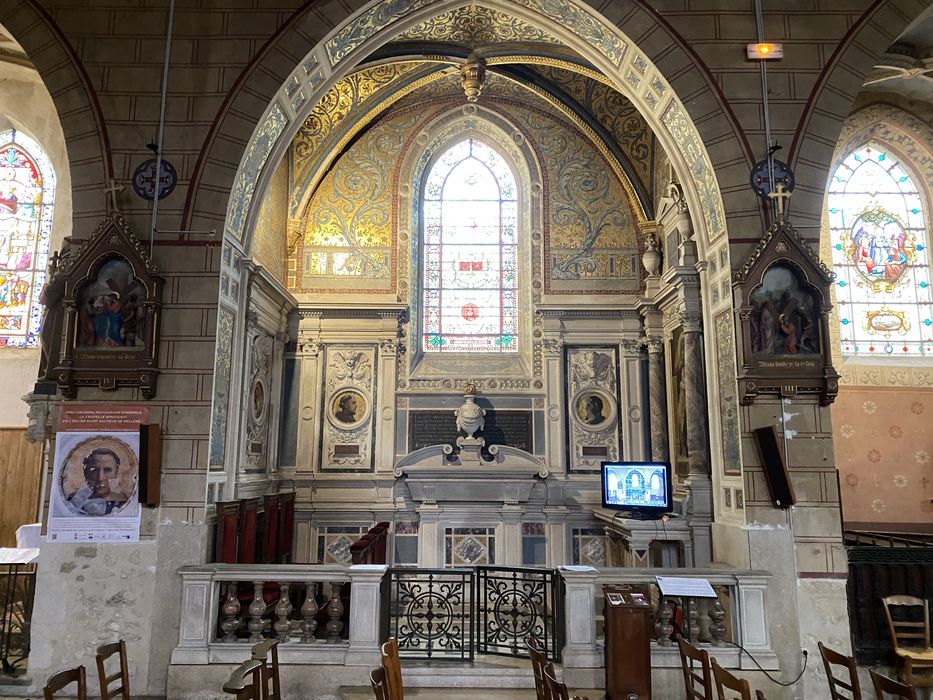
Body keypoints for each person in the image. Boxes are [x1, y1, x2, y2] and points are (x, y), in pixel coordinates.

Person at [67, 448, 128, 516]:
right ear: (86, 472)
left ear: (116, 472)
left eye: (107, 470)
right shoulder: (71, 501)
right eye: (94, 470)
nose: (100, 478)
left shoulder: (124, 502)